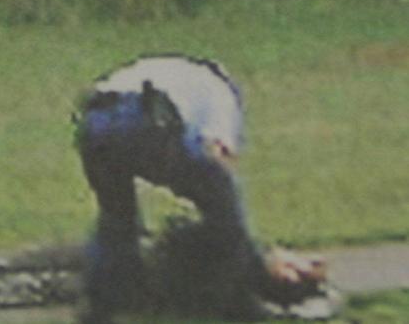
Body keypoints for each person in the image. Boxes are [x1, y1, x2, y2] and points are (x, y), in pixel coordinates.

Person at [74, 54, 324, 323]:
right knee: (225, 212)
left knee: (117, 217)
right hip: (146, 119)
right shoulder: (221, 92)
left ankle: (101, 307)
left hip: (94, 124)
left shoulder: (170, 69)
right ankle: (240, 303)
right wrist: (252, 248)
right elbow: (219, 156)